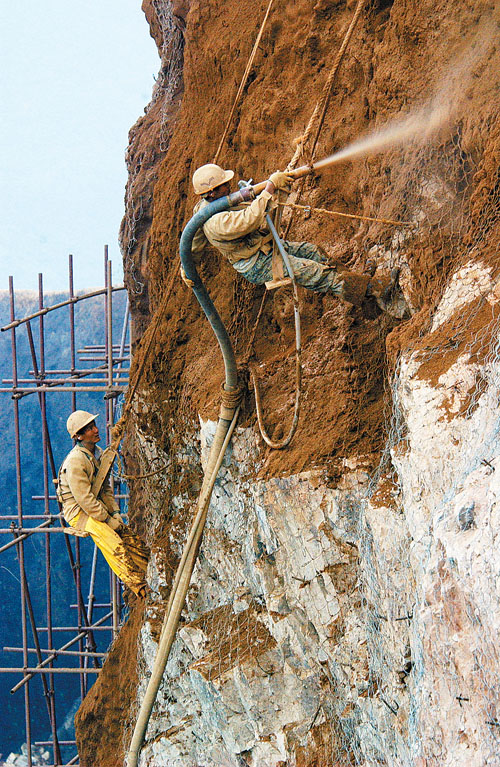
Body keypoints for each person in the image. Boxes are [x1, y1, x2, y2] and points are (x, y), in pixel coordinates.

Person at [185, 163, 408, 317]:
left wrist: (271, 189)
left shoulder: (215, 203)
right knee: (315, 272)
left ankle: (361, 291)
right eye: (225, 185)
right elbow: (249, 219)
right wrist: (270, 188)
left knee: (314, 253)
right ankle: (377, 289)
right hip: (257, 262)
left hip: (266, 248)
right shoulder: (212, 221)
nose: (230, 187)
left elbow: (191, 244)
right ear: (212, 192)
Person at [57, 410, 149, 598]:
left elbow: (104, 487)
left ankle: (147, 566)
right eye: (89, 428)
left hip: (93, 505)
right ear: (79, 436)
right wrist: (106, 519)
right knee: (111, 542)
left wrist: (114, 513)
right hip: (79, 512)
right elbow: (84, 500)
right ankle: (138, 586)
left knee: (125, 534)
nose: (96, 430)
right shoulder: (76, 461)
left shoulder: (95, 453)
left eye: (94, 426)